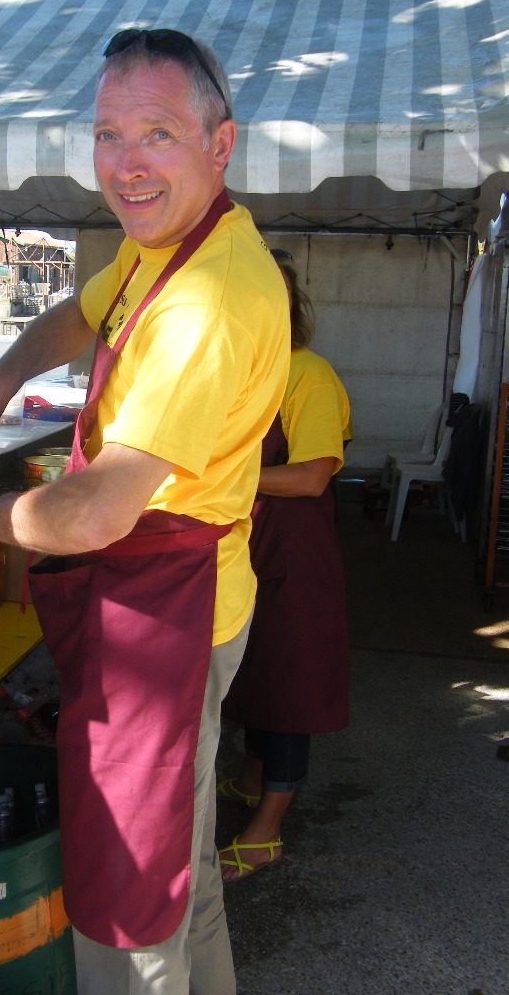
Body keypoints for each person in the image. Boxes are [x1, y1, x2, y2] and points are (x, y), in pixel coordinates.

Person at [0, 28, 290, 994]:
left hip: (170, 615)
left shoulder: (210, 299)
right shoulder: (156, 248)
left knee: (130, 901)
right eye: (107, 135)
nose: (127, 165)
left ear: (220, 144)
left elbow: (90, 517)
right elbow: (80, 313)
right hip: (164, 596)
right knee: (182, 880)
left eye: (157, 134)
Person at [218, 249, 351, 882]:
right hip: (248, 543)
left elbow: (311, 477)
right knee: (254, 670)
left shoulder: (308, 374)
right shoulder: (241, 374)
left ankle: (267, 829)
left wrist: (225, 480)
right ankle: (251, 779)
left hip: (296, 550)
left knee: (291, 683)